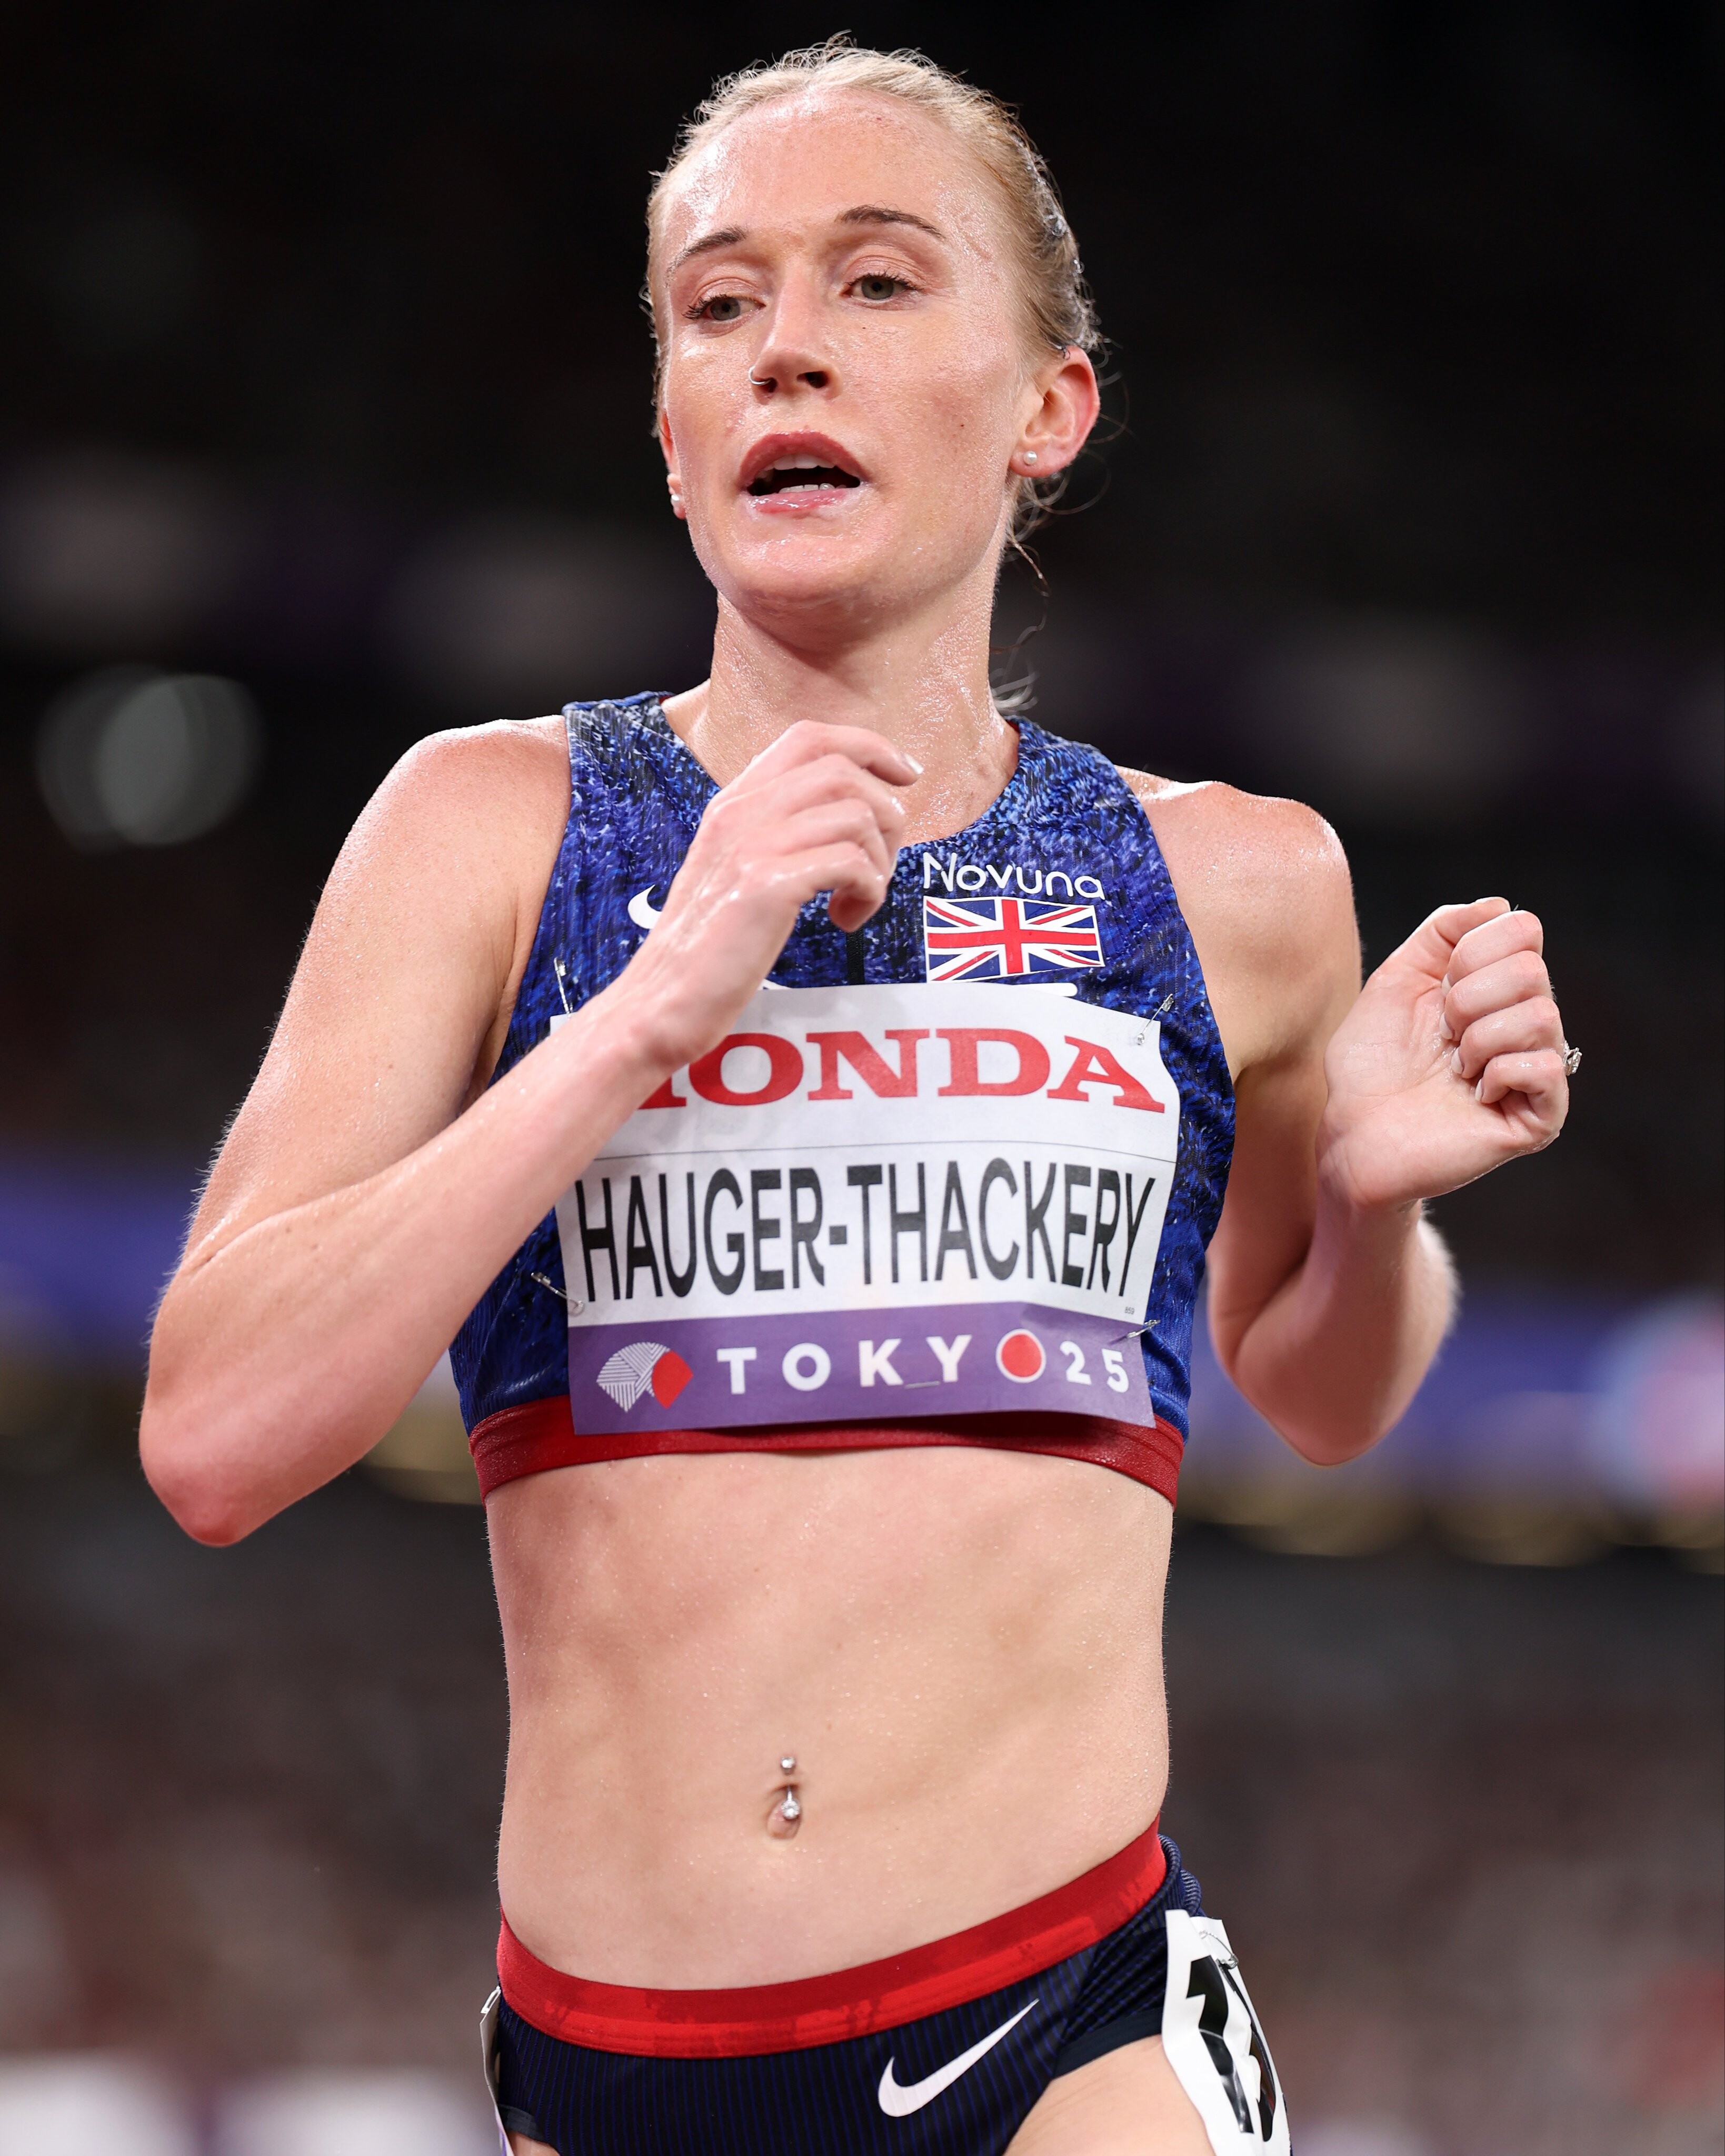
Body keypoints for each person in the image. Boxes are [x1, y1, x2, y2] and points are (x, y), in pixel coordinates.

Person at [141, 40, 1573, 2156]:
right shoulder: (487, 830)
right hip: (619, 2065)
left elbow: (1325, 1393)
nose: (784, 346)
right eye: (720, 304)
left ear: (1047, 406)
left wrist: (1372, 1202)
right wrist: (644, 1009)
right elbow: (210, 1441)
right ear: (670, 430)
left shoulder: (1234, 882)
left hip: (1067, 2020)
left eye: (878, 281)